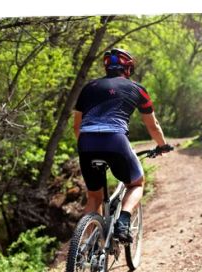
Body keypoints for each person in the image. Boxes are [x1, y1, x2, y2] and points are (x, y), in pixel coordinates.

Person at [73, 48, 171, 243]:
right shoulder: (137, 89)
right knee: (136, 183)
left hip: (86, 143)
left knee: (94, 196)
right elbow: (153, 126)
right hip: (115, 141)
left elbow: (77, 126)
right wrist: (162, 145)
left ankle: (88, 246)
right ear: (128, 69)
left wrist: (88, 147)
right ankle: (123, 222)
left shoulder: (89, 88)